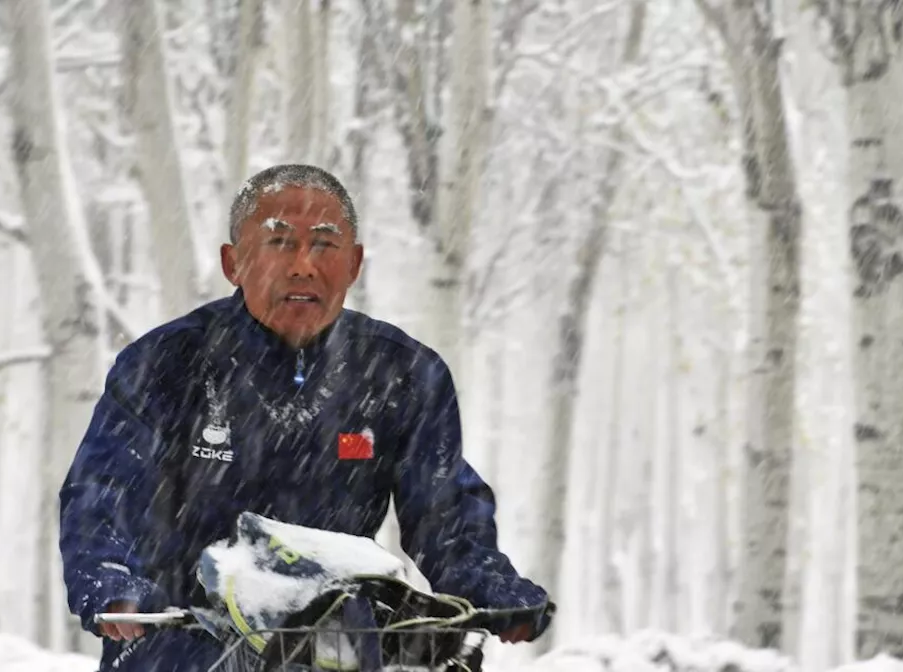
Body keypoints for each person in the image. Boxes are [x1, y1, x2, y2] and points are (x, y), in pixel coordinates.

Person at [58, 164, 553, 671]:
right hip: (179, 649)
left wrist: (489, 584)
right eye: (278, 243)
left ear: (355, 263)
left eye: (323, 245)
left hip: (334, 648)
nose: (303, 265)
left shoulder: (403, 373)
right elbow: (101, 493)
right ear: (233, 263)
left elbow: (444, 512)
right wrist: (111, 580)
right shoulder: (164, 362)